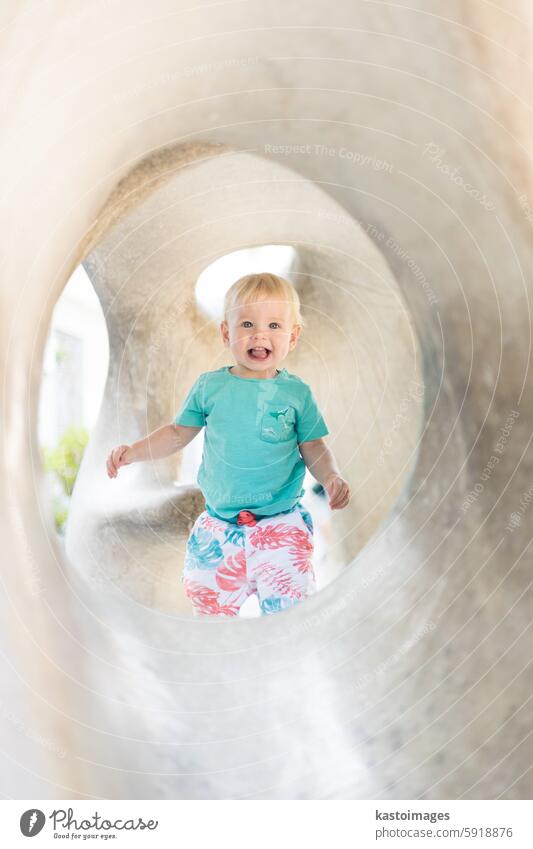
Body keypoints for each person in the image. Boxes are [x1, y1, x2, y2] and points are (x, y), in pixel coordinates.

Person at [106, 272, 350, 617]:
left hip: (280, 525)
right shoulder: (210, 388)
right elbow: (176, 433)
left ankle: (282, 664)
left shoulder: (297, 394)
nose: (260, 334)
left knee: (291, 616)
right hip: (219, 527)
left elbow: (313, 445)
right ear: (226, 333)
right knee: (208, 610)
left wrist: (331, 476)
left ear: (293, 337)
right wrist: (133, 452)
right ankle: (218, 665)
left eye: (275, 326)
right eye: (247, 323)